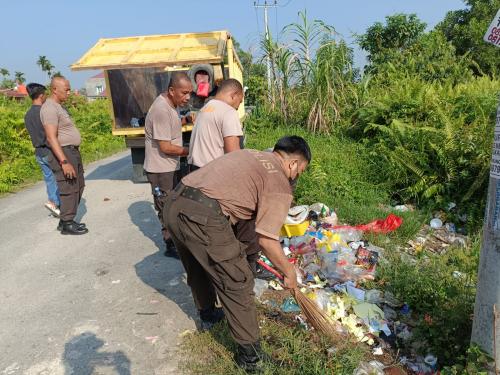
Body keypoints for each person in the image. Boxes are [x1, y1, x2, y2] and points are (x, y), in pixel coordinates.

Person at [165, 136, 311, 370]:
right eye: (300, 171)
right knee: (238, 282)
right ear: (293, 164)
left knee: (199, 265)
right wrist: (289, 271)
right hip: (203, 215)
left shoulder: (252, 154)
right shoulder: (279, 182)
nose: (296, 177)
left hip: (174, 203)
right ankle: (251, 359)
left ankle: (209, 315)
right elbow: (266, 239)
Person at [143, 72, 192, 257]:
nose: (187, 97)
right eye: (184, 93)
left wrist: (185, 120)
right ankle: (170, 244)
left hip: (169, 167)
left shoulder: (172, 104)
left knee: (173, 204)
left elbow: (171, 126)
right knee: (166, 207)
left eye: (189, 93)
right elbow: (165, 147)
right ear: (171, 90)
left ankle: (175, 239)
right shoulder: (161, 110)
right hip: (161, 169)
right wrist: (191, 150)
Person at [41, 76, 88, 235]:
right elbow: (51, 137)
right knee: (69, 187)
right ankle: (67, 223)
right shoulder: (49, 108)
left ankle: (65, 220)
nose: (69, 93)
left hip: (71, 151)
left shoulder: (59, 107)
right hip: (64, 153)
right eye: (66, 90)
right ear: (54, 89)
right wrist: (64, 161)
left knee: (78, 185)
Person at [188, 78, 244, 172]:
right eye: (240, 101)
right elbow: (234, 154)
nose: (238, 106)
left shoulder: (205, 108)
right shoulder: (229, 112)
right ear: (234, 95)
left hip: (195, 171)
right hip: (213, 172)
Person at [24, 83, 60, 217]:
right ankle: (58, 203)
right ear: (40, 96)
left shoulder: (27, 115)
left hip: (38, 152)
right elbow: (50, 135)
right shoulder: (43, 112)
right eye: (45, 94)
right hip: (49, 150)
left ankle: (53, 202)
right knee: (59, 177)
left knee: (49, 178)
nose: (46, 97)